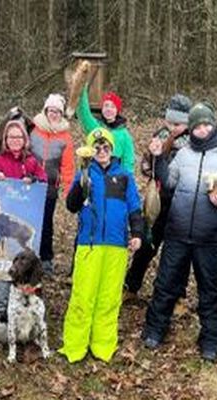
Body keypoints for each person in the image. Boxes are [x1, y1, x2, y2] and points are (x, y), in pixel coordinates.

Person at [142, 103, 217, 361]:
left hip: (209, 236)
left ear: (213, 125)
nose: (202, 130)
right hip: (177, 232)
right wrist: (158, 158)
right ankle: (155, 329)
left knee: (209, 290)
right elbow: (168, 185)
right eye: (197, 126)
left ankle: (211, 340)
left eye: (206, 125)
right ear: (191, 129)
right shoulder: (184, 154)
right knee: (165, 284)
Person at [58, 128, 143, 363]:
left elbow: (135, 207)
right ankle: (75, 345)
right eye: (97, 148)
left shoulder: (125, 176)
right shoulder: (84, 173)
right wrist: (81, 179)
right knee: (82, 296)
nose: (102, 151)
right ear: (91, 150)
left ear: (111, 149)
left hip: (116, 246)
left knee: (109, 297)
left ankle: (103, 345)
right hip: (89, 245)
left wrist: (137, 232)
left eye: (106, 147)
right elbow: (72, 205)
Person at [124, 94, 192, 300]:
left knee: (179, 253)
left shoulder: (192, 142)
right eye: (170, 122)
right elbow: (146, 162)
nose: (173, 128)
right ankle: (131, 286)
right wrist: (147, 165)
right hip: (157, 201)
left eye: (178, 124)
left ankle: (177, 295)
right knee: (146, 245)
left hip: (180, 203)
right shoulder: (160, 135)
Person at [30, 93, 75, 275]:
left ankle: (46, 258)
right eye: (51, 110)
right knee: (28, 218)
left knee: (46, 222)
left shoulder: (65, 137)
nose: (54, 114)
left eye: (57, 111)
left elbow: (68, 166)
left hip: (50, 187)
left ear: (61, 114)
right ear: (45, 110)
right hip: (30, 184)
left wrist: (68, 190)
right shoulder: (33, 129)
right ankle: (27, 254)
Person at [76, 84, 135, 173]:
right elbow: (84, 113)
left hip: (114, 177)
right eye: (106, 106)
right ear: (102, 108)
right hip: (95, 173)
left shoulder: (124, 134)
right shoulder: (95, 127)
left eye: (112, 107)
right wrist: (82, 87)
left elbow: (128, 161)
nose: (109, 109)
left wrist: (126, 180)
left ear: (117, 111)